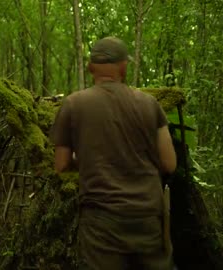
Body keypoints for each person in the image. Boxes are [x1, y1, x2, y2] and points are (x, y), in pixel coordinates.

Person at [51, 37, 177, 269]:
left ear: (90, 69)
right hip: (147, 215)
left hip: (101, 221)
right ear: (123, 67)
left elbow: (61, 164)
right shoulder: (150, 104)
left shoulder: (73, 105)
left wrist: (88, 158)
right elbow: (169, 163)